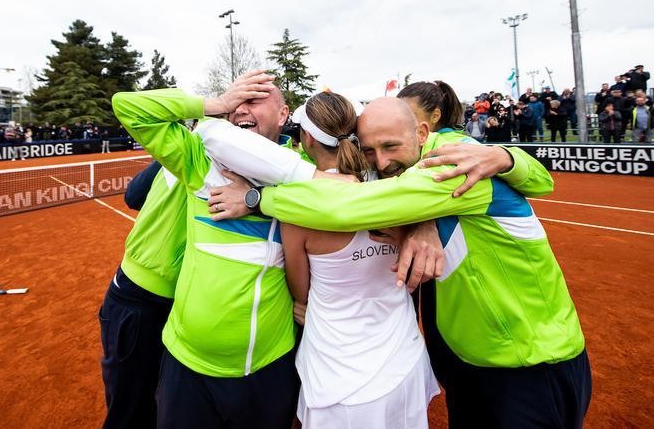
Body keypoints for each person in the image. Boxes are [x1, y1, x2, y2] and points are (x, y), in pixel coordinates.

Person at [218, 88, 590, 429]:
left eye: (391, 146)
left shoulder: (455, 164)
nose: (381, 161)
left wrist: (256, 200)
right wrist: (420, 223)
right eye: (369, 150)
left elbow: (347, 208)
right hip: (471, 361)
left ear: (423, 134)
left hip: (530, 365)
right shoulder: (410, 174)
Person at [103, 72, 335, 429]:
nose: (242, 108)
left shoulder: (298, 165)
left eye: (255, 101)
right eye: (238, 101)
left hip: (251, 344)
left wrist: (256, 200)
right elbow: (130, 116)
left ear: (284, 113)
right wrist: (216, 105)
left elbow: (341, 193)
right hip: (152, 304)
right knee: (132, 410)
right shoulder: (202, 149)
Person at [284, 92, 439, 428]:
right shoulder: (394, 186)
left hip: (338, 374)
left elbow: (301, 294)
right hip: (405, 358)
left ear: (307, 137)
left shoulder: (296, 206)